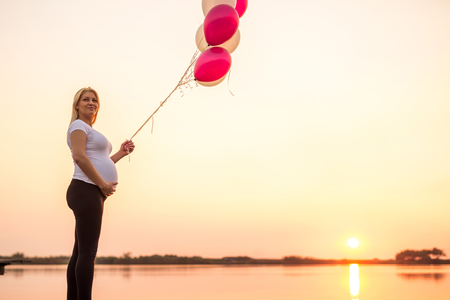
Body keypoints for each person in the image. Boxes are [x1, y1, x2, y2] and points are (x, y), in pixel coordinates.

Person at [66, 87, 135, 300]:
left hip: (91, 190)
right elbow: (79, 157)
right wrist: (102, 184)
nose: (91, 103)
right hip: (86, 189)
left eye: (94, 100)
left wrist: (121, 154)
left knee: (80, 252)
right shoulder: (78, 125)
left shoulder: (90, 129)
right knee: (88, 253)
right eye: (85, 99)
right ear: (77, 105)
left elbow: (100, 161)